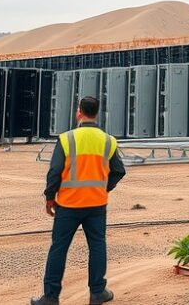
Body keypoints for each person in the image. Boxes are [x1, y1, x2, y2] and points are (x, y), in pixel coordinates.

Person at [32, 96, 126, 305]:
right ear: (96, 113)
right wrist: (104, 187)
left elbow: (55, 171)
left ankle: (51, 297)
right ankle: (98, 292)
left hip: (68, 204)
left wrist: (49, 197)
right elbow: (119, 170)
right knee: (97, 246)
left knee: (59, 248)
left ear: (79, 112)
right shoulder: (108, 140)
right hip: (96, 204)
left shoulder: (66, 139)